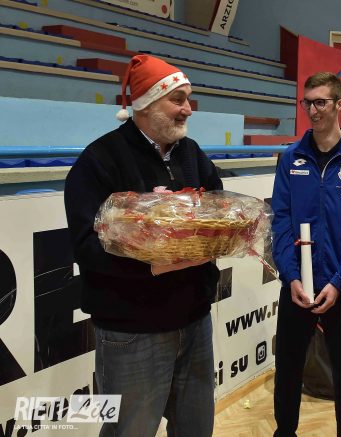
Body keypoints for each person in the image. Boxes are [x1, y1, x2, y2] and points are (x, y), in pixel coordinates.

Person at [64, 54, 222, 436]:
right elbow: (87, 247)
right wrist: (152, 261)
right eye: (178, 99)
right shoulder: (99, 160)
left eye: (188, 99)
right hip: (133, 332)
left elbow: (218, 209)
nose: (188, 109)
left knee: (196, 429)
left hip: (194, 322)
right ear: (147, 103)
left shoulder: (192, 153)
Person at [271, 72, 341, 437]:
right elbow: (281, 222)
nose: (312, 110)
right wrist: (291, 277)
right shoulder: (291, 158)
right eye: (307, 102)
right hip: (298, 286)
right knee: (288, 371)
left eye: (321, 102)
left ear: (339, 105)